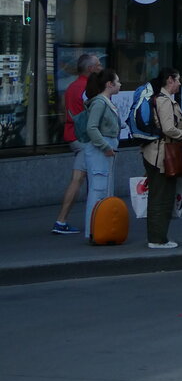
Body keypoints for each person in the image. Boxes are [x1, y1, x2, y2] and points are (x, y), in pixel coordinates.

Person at [51, 52, 101, 234]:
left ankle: (69, 220)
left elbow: (64, 112)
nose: (100, 67)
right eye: (98, 65)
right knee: (81, 179)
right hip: (83, 139)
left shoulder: (72, 86)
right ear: (90, 69)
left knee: (81, 178)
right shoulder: (88, 88)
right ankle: (63, 221)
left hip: (73, 136)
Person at [141, 67, 182, 249]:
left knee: (160, 196)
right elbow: (168, 129)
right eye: (178, 80)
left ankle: (158, 237)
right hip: (160, 156)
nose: (180, 83)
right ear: (170, 80)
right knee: (161, 197)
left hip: (157, 154)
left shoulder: (163, 100)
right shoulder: (163, 101)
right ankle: (157, 239)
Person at [81, 67, 121, 241]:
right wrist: (105, 147)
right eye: (117, 81)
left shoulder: (105, 102)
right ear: (109, 84)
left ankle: (101, 229)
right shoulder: (99, 102)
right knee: (98, 190)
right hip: (101, 150)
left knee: (104, 189)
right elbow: (91, 127)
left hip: (105, 148)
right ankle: (93, 231)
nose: (120, 84)